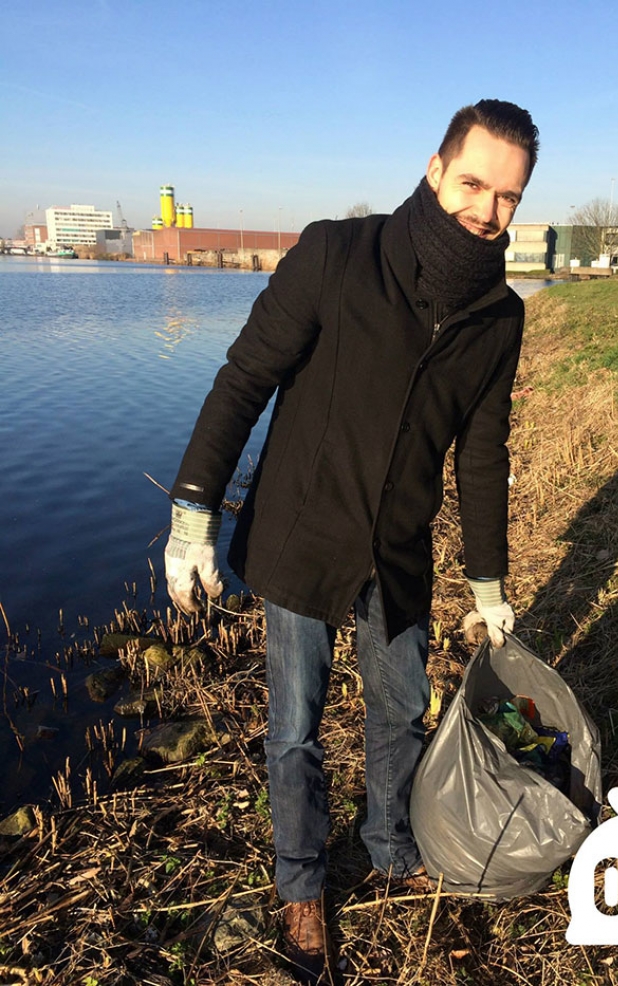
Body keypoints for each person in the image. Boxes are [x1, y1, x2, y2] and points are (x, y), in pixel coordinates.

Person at [164, 98, 539, 984]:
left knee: (400, 711)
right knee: (292, 730)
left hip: (400, 552)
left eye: (509, 196)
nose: (487, 210)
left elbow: (483, 457)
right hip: (304, 536)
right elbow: (244, 378)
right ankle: (299, 884)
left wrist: (488, 584)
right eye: (475, 183)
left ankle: (391, 844)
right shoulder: (337, 254)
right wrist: (192, 513)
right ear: (437, 168)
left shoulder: (501, 318)